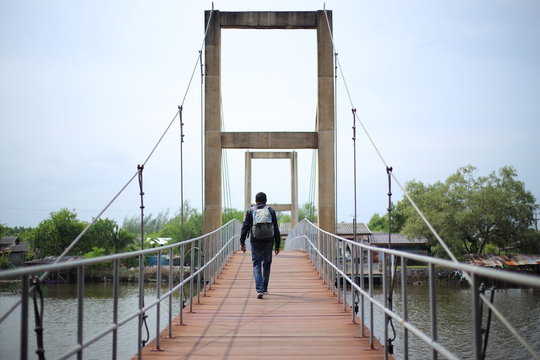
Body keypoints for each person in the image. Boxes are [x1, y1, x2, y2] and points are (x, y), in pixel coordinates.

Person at [240, 192, 281, 299]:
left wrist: (242, 242)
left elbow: (244, 228)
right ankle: (265, 288)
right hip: (269, 240)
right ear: (266, 200)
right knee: (267, 264)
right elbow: (275, 228)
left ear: (256, 200)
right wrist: (278, 245)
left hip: (255, 239)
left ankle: (259, 289)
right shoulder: (271, 210)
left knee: (257, 264)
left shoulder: (250, 211)